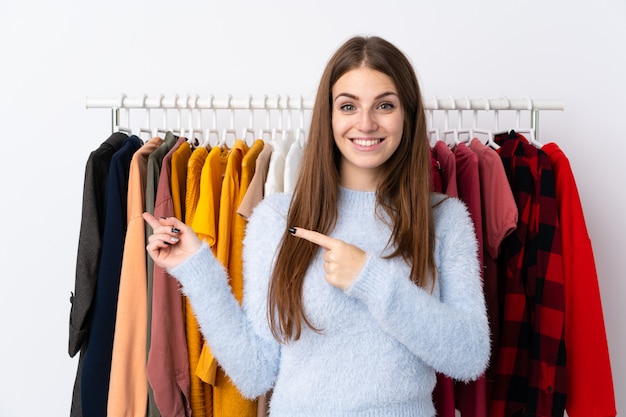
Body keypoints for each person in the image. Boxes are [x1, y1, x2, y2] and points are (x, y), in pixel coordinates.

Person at [143, 35, 490, 417]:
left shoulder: (445, 219)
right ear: (329, 116)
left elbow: (470, 357)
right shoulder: (278, 219)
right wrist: (197, 271)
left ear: (407, 114)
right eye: (348, 106)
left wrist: (371, 280)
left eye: (385, 105)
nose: (366, 122)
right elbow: (256, 373)